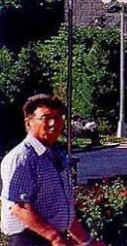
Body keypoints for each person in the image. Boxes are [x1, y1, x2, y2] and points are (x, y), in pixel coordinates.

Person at [1, 94, 108, 246]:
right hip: (29, 240)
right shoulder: (22, 158)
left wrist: (86, 241)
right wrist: (55, 238)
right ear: (28, 123)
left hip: (52, 238)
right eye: (45, 118)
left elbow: (60, 208)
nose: (53, 123)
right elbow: (19, 207)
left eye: (57, 118)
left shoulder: (57, 154)